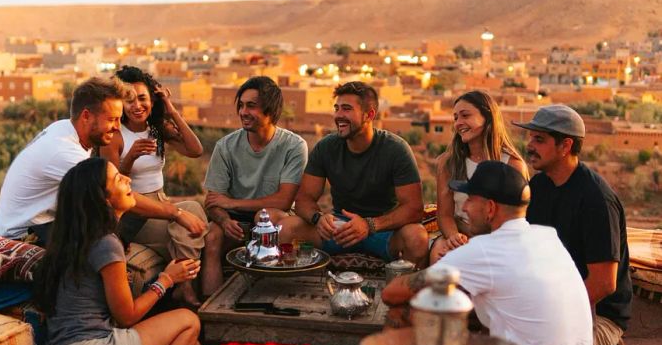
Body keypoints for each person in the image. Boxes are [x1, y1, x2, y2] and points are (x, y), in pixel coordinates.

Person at [383, 161, 595, 345]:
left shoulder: (483, 251)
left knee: (409, 315)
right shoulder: (547, 237)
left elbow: (392, 292)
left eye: (471, 199)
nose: (464, 208)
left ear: (490, 208)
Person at [35, 157, 203, 345]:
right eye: (117, 179)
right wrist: (167, 280)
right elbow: (126, 316)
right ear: (103, 199)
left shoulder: (75, 240)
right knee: (189, 320)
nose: (127, 179)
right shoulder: (105, 243)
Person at [0, 77, 207, 248]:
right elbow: (114, 194)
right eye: (112, 119)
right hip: (21, 237)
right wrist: (175, 213)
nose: (116, 127)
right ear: (86, 116)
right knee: (106, 251)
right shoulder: (63, 151)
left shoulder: (65, 128)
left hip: (46, 227)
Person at [514, 104, 633, 345]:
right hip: (552, 299)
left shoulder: (596, 199)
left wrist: (552, 316)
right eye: (531, 138)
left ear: (566, 145)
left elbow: (604, 283)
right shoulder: (538, 187)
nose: (529, 146)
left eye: (539, 139)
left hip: (597, 312)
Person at [279, 81, 428, 266]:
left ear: (370, 114)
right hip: (339, 228)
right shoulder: (326, 147)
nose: (339, 115)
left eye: (347, 109)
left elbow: (414, 208)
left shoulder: (395, 149)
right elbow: (304, 200)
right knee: (285, 229)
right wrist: (318, 218)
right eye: (337, 108)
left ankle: (402, 290)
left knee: (417, 238)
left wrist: (369, 225)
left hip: (383, 229)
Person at [101, 66, 209, 305]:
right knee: (190, 222)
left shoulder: (157, 129)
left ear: (152, 100)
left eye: (142, 98)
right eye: (128, 100)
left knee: (193, 211)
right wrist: (129, 159)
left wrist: (171, 111)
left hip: (161, 204)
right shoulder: (116, 135)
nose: (137, 106)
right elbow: (111, 188)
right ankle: (187, 287)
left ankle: (185, 286)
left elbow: (195, 150)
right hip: (135, 212)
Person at [202, 76, 307, 295]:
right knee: (212, 237)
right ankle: (209, 307)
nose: (243, 112)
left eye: (251, 106)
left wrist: (232, 202)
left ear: (270, 110)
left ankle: (267, 294)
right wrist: (225, 219)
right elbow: (213, 202)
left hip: (274, 216)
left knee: (264, 217)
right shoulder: (226, 146)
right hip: (234, 218)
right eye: (241, 105)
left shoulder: (293, 146)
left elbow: (284, 200)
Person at [431, 90, 528, 263]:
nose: (459, 123)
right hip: (460, 235)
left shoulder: (512, 165)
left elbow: (516, 218)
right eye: (455, 118)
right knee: (440, 253)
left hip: (498, 240)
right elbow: (444, 214)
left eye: (465, 115)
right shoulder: (449, 163)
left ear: (488, 117)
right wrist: (454, 237)